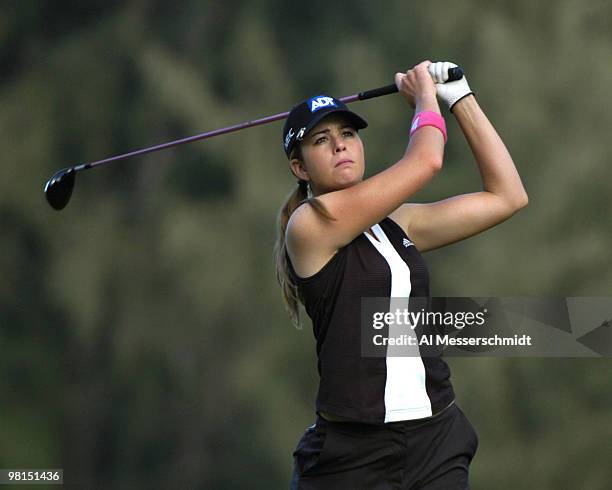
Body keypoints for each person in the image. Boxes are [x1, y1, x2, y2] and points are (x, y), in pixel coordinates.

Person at [274, 60, 528, 489]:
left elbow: (507, 195)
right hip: (352, 455)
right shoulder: (308, 225)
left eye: (348, 134)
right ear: (300, 168)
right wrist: (423, 95)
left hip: (436, 438)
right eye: (322, 140)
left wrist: (460, 98)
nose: (340, 146)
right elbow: (426, 160)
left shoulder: (398, 224)